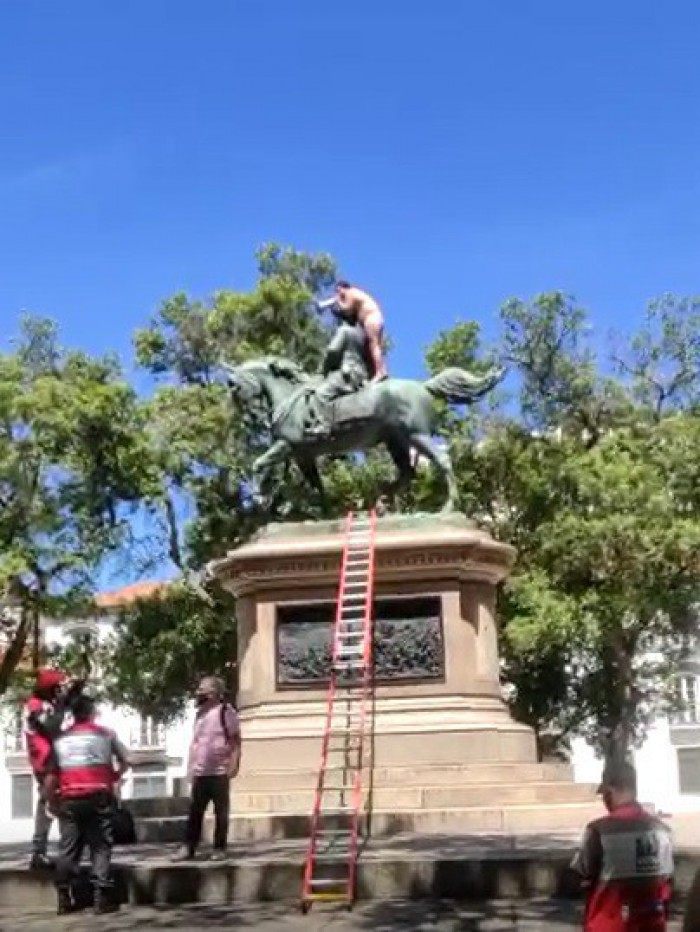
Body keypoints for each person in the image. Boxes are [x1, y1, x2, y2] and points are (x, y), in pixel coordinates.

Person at [44, 694, 131, 916]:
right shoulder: (106, 735)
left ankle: (64, 897)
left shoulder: (60, 740)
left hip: (69, 799)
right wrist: (114, 776)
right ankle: (101, 897)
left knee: (68, 848)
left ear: (73, 714)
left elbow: (51, 778)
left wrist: (52, 802)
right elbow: (127, 759)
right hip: (99, 796)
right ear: (92, 713)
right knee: (100, 846)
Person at [572, 760, 673, 931]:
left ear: (609, 791)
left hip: (607, 925)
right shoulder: (662, 831)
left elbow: (581, 874)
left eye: (604, 794)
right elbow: (667, 883)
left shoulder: (599, 831)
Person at [171, 676, 241, 862]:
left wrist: (234, 764)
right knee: (195, 812)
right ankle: (188, 847)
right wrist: (190, 768)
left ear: (215, 692)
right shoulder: (199, 714)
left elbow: (235, 740)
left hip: (219, 771)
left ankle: (219, 848)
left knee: (221, 813)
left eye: (204, 689)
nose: (200, 692)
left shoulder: (226, 712)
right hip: (200, 772)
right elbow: (195, 743)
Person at [24, 667, 82, 869]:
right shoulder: (34, 705)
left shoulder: (47, 704)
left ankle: (54, 851)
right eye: (57, 687)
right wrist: (65, 704)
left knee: (55, 802)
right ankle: (40, 851)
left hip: (52, 759)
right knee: (49, 803)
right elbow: (51, 727)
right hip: (45, 761)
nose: (60, 691)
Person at [317, 281, 388, 382]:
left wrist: (337, 301)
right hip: (372, 320)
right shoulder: (353, 295)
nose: (338, 294)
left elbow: (347, 309)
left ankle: (380, 372)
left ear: (344, 288)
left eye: (338, 291)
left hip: (371, 319)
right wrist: (335, 310)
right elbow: (349, 316)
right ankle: (376, 373)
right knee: (369, 349)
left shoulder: (351, 292)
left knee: (374, 345)